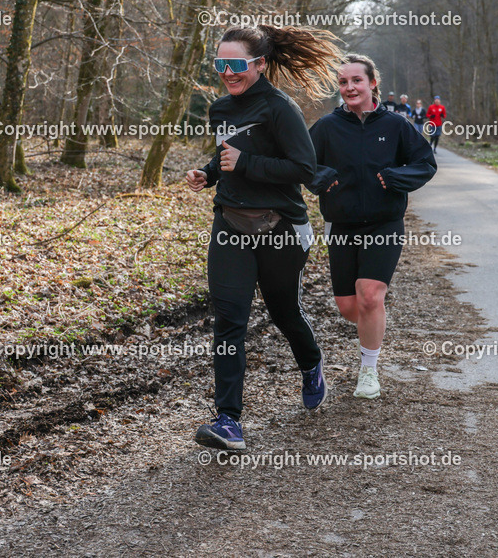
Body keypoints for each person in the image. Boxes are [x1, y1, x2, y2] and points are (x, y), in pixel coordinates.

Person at [186, 24, 342, 450]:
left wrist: (246, 162)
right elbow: (227, 154)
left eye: (235, 65)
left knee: (282, 310)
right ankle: (228, 421)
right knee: (229, 318)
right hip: (231, 223)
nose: (227, 73)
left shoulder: (280, 108)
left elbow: (305, 170)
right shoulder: (220, 109)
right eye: (220, 64)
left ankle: (311, 364)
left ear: (259, 64)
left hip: (280, 227)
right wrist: (210, 172)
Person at [307, 55, 437, 399]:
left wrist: (395, 178)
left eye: (356, 81)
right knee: (350, 307)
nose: (350, 87)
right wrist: (321, 179)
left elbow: (425, 164)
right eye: (343, 82)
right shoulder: (327, 127)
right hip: (342, 224)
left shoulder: (396, 126)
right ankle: (371, 317)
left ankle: (368, 371)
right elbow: (302, 164)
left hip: (384, 222)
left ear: (372, 83)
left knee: (369, 294)